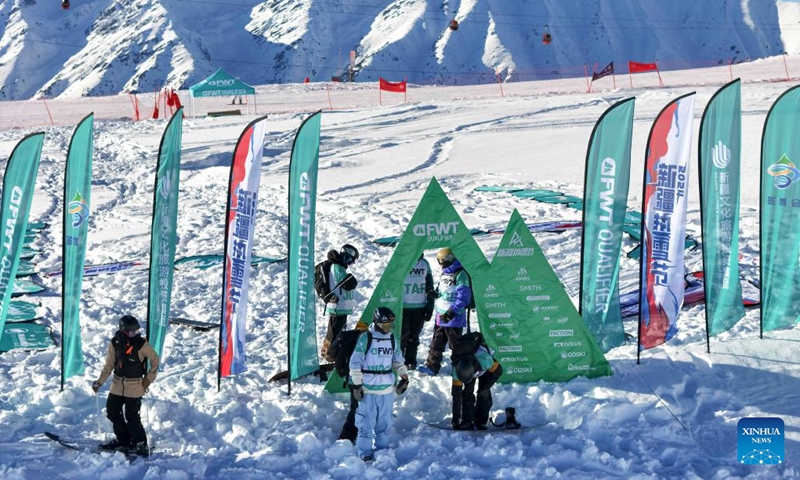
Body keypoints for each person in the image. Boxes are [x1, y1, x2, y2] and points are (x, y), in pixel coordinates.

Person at [92, 315, 159, 455]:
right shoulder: (115, 343)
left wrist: (148, 380)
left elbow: (155, 360)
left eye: (135, 331)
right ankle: (124, 440)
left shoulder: (141, 344)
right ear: (122, 330)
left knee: (132, 416)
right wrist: (99, 382)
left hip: (134, 386)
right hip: (117, 384)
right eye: (130, 332)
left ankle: (140, 443)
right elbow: (109, 365)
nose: (133, 334)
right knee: (112, 412)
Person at [349, 307, 409, 461]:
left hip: (387, 389)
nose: (387, 329)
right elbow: (355, 363)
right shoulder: (366, 339)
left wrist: (404, 377)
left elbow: (398, 359)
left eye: (390, 325)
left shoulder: (391, 339)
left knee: (384, 422)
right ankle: (364, 453)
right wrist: (357, 385)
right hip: (368, 389)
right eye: (384, 325)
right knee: (366, 423)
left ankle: (382, 451)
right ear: (376, 323)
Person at [417, 247, 472, 376]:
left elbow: (464, 297)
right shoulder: (445, 273)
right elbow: (444, 290)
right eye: (439, 261)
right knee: (436, 342)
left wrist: (452, 312)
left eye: (442, 261)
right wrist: (435, 294)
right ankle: (432, 366)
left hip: (453, 318)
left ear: (449, 259)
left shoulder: (460, 274)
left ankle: (459, 369)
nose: (440, 264)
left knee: (456, 346)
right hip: (441, 316)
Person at [451, 333, 503, 430]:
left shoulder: (485, 361)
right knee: (467, 393)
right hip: (469, 363)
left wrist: (485, 388)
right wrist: (455, 419)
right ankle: (467, 420)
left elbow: (498, 371)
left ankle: (481, 421)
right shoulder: (456, 371)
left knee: (484, 394)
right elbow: (456, 395)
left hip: (483, 366)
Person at [320, 244, 359, 362]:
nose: (350, 264)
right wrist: (352, 279)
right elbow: (348, 283)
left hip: (341, 307)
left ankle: (332, 355)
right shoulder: (337, 267)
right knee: (334, 334)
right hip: (337, 307)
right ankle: (328, 356)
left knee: (337, 333)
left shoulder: (339, 267)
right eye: (351, 261)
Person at [401, 253, 435, 370]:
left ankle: (410, 360)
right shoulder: (401, 260)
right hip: (403, 306)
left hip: (419, 307)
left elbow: (430, 286)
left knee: (414, 336)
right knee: (402, 336)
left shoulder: (424, 264)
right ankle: (398, 360)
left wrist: (429, 307)